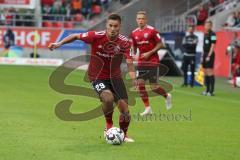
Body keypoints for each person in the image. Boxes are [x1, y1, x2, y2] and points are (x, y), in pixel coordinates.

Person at [48, 13, 136, 142]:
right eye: (110, 25)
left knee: (125, 112)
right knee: (108, 98)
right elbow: (75, 36)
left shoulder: (125, 42)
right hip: (97, 76)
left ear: (119, 27)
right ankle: (109, 125)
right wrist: (59, 43)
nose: (112, 29)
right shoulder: (96, 36)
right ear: (106, 25)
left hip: (115, 78)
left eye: (115, 26)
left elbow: (129, 62)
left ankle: (124, 134)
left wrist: (134, 79)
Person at [130, 11, 172, 116]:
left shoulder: (152, 31)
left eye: (142, 19)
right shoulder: (134, 33)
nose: (140, 21)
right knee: (140, 84)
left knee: (154, 87)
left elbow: (160, 44)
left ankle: (167, 96)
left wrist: (150, 52)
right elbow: (134, 47)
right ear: (136, 20)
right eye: (139, 19)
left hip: (153, 61)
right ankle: (148, 108)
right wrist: (133, 54)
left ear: (146, 20)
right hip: (141, 62)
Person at [202, 20, 217, 96]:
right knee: (205, 72)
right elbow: (204, 46)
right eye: (205, 25)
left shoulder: (213, 34)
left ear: (211, 26)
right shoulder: (205, 34)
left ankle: (212, 91)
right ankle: (207, 90)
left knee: (210, 71)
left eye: (208, 25)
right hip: (205, 54)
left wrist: (209, 55)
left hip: (209, 54)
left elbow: (213, 45)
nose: (206, 26)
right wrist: (203, 55)